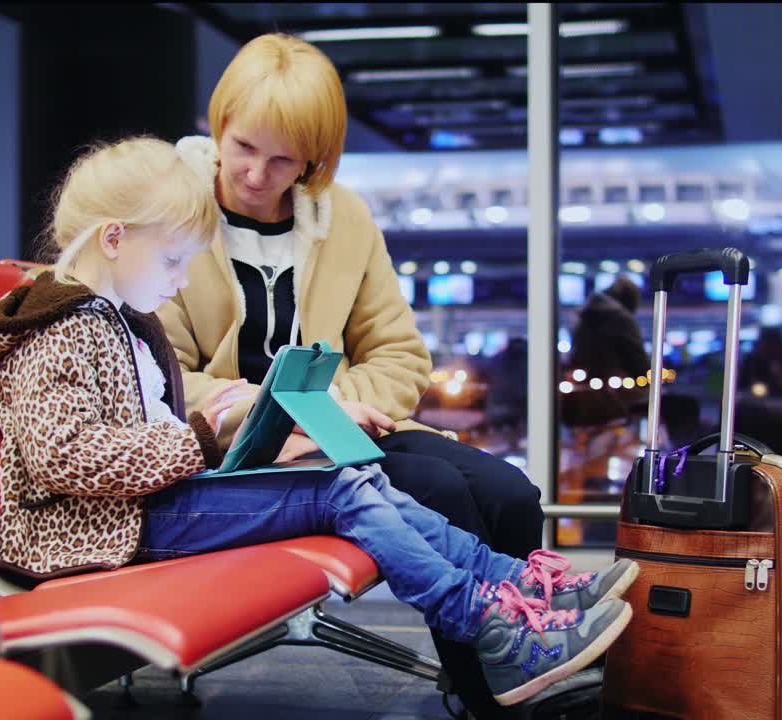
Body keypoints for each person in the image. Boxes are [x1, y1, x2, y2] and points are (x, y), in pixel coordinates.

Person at [0, 136, 638, 708]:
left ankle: (513, 587)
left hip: (141, 509)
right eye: (174, 259)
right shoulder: (55, 330)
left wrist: (223, 435)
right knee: (344, 490)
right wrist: (202, 434)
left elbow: (129, 442)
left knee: (355, 480)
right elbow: (65, 458)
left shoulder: (116, 320)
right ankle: (495, 629)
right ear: (114, 239)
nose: (180, 282)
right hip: (97, 530)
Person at [155, 33, 595, 717]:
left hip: (343, 426)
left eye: (282, 160)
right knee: (446, 489)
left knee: (511, 493)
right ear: (219, 128)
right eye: (243, 148)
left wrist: (333, 407)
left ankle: (529, 650)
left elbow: (398, 355)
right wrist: (288, 412)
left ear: (312, 161)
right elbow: (165, 377)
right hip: (236, 447)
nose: (254, 175)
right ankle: (491, 697)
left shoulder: (345, 220)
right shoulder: (174, 214)